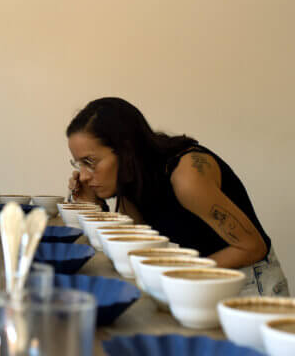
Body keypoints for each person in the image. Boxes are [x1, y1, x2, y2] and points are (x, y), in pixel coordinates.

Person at [66, 97, 289, 296]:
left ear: (125, 150)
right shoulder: (134, 179)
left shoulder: (187, 177)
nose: (84, 176)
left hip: (249, 282)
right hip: (201, 281)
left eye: (90, 162)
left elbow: (252, 248)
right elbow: (134, 246)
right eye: (79, 164)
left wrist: (179, 274)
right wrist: (91, 204)